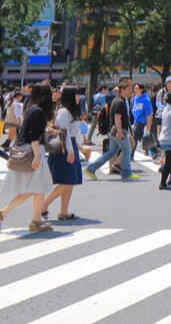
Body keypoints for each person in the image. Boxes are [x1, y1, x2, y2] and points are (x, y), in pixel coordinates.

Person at [0, 85, 56, 232]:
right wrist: (37, 157)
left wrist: (47, 131)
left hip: (27, 149)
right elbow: (33, 136)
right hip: (33, 151)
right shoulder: (38, 111)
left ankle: (35, 221)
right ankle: (4, 212)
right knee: (35, 187)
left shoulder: (31, 108)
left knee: (39, 188)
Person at [42, 86, 83, 220]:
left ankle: (63, 211)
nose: (79, 97)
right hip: (64, 148)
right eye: (76, 95)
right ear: (70, 96)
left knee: (70, 181)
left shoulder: (71, 111)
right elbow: (63, 134)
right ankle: (44, 204)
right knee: (67, 181)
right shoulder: (63, 112)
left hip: (70, 146)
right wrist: (70, 151)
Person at [85, 79, 138, 181]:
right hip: (118, 131)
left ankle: (90, 168)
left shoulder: (117, 99)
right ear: (122, 89)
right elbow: (117, 118)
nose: (131, 91)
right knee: (127, 150)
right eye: (129, 89)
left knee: (111, 152)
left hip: (112, 131)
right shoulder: (119, 102)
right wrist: (119, 131)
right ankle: (126, 173)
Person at [130, 83, 154, 160]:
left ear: (141, 89)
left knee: (134, 138)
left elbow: (149, 113)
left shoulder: (146, 99)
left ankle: (131, 155)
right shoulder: (134, 99)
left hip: (142, 121)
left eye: (136, 88)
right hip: (136, 121)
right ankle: (150, 150)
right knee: (139, 138)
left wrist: (149, 125)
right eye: (134, 88)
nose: (134, 90)